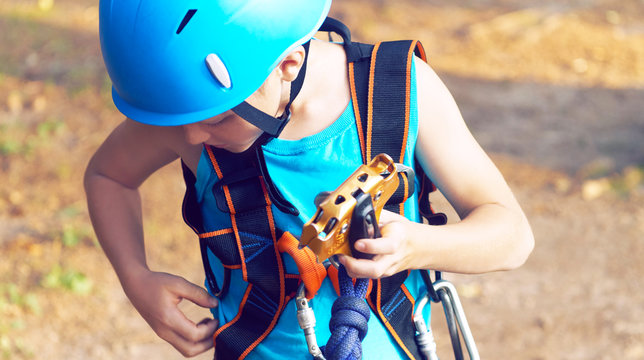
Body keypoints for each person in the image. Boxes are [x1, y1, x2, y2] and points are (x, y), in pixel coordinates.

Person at [85, 0, 534, 358]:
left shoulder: (401, 92)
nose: (189, 136)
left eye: (215, 120)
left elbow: (511, 235)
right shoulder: (192, 108)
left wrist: (416, 246)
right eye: (177, 119)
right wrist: (135, 277)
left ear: (288, 64)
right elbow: (109, 176)